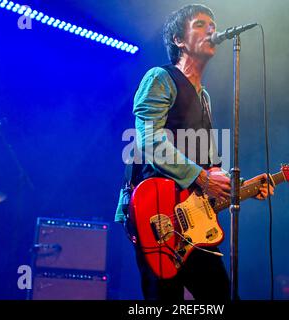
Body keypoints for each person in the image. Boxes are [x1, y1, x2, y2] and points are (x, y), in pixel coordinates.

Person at [115, 4, 274, 301]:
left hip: (194, 226)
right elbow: (150, 140)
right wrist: (201, 178)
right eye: (200, 24)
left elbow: (210, 169)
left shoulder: (205, 98)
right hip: (158, 215)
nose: (211, 29)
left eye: (212, 24)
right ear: (178, 39)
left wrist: (244, 189)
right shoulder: (161, 78)